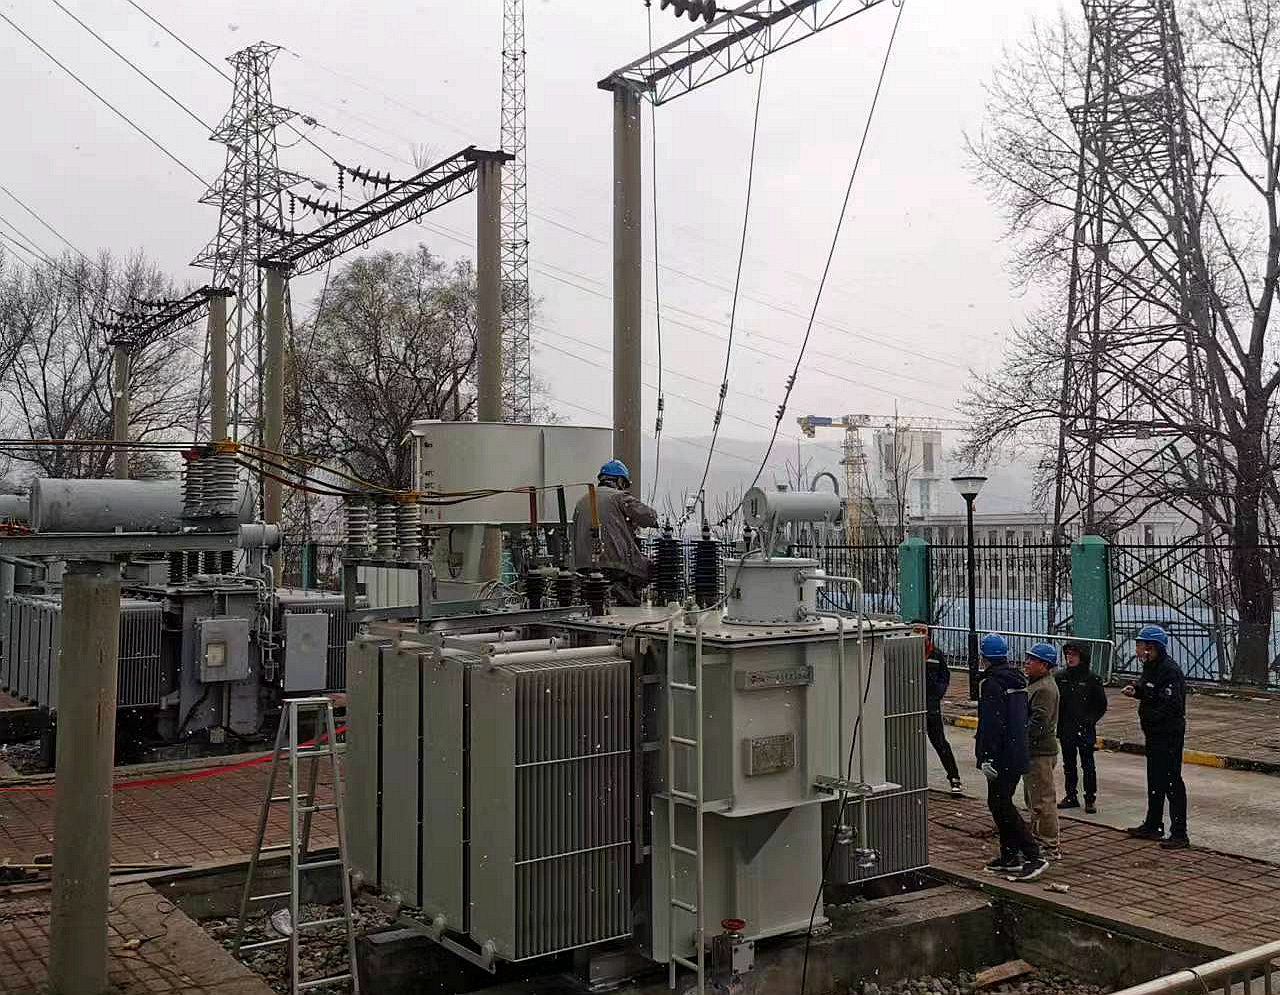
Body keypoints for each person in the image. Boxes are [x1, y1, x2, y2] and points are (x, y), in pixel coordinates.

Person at [975, 633, 1047, 882]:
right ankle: (1009, 856)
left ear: (984, 657)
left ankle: (1033, 855)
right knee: (999, 802)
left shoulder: (992, 684)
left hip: (1001, 755)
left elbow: (991, 723)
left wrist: (986, 756)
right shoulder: (1016, 680)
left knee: (1002, 805)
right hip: (1016, 751)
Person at [1123, 625, 1189, 849]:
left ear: (1152, 647)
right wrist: (1137, 691)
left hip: (1168, 735)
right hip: (1153, 734)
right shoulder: (1150, 667)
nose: (1138, 650)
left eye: (1141, 645)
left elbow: (1171, 705)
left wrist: (1151, 715)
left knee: (1171, 781)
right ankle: (1153, 825)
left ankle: (1179, 833)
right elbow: (1150, 691)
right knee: (1155, 779)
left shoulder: (1169, 670)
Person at [571, 459, 659, 607]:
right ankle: (621, 588)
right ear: (619, 481)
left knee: (598, 575)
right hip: (614, 563)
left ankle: (603, 589)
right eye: (624, 484)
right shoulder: (618, 496)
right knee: (650, 568)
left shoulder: (581, 501)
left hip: (583, 565)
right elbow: (648, 516)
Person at [1057, 641, 1107, 813]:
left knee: (1088, 765)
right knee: (1069, 764)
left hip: (1085, 728)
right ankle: (1071, 795)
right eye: (1068, 654)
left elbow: (1100, 705)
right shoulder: (1061, 677)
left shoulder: (1092, 679)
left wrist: (1089, 720)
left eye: (1074, 655)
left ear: (1082, 657)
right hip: (1066, 728)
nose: (1070, 658)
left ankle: (1090, 798)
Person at [1022, 643, 1061, 860]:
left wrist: (1020, 738)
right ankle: (1038, 838)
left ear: (1044, 665)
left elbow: (1039, 722)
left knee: (1043, 800)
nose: (1027, 663)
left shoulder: (1044, 688)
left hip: (1040, 752)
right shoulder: (1036, 684)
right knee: (1034, 798)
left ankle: (1049, 844)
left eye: (1032, 660)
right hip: (1034, 751)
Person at [915, 623, 963, 796]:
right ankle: (911, 780)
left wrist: (938, 692)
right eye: (916, 631)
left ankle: (954, 778)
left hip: (931, 707)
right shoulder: (905, 652)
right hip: (911, 707)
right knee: (910, 745)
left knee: (940, 743)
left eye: (923, 631)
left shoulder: (936, 654)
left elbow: (945, 675)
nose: (921, 635)